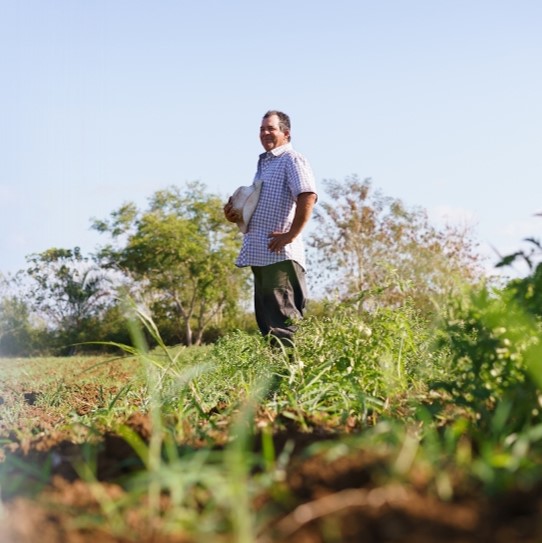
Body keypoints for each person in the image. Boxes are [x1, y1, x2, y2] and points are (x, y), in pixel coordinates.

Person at [224, 110, 317, 345]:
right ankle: (280, 379)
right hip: (261, 255)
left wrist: (291, 234)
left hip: (280, 257)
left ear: (286, 133)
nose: (265, 133)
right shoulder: (265, 165)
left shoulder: (292, 159)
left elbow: (307, 195)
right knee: (269, 328)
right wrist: (235, 214)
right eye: (262, 129)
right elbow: (261, 207)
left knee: (285, 325)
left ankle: (297, 378)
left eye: (271, 128)